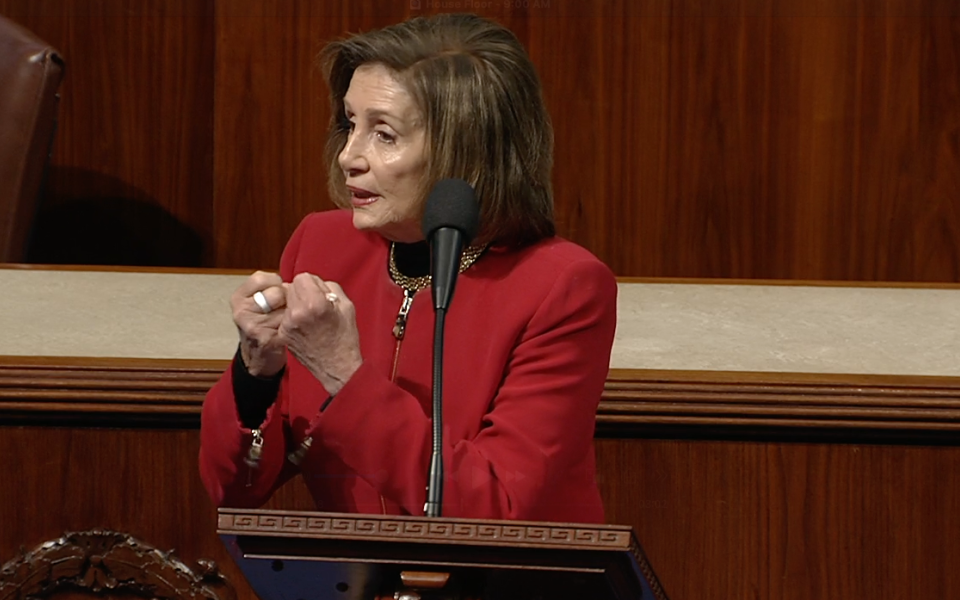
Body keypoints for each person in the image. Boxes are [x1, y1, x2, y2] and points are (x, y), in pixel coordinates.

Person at [199, 13, 617, 523]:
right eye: (350, 124)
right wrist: (255, 372)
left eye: (385, 134)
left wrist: (344, 375)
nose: (348, 157)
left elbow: (498, 508)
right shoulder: (321, 246)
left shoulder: (561, 286)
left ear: (466, 150)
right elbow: (234, 490)